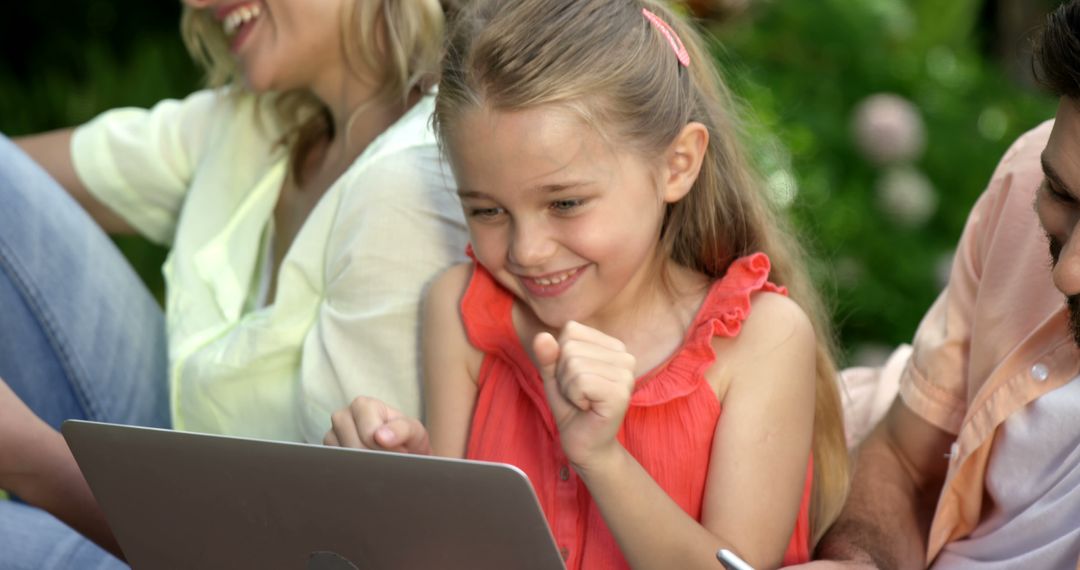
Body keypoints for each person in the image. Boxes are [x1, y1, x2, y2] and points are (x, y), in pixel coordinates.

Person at [324, 1, 850, 568]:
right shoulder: (461, 312)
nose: (526, 250)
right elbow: (448, 549)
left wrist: (602, 457)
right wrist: (408, 477)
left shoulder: (760, 341)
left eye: (565, 203)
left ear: (677, 165)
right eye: (487, 211)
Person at [0, 0, 468, 567]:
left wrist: (27, 456)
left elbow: (322, 553)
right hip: (164, 482)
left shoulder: (409, 191)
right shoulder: (261, 121)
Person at [794, 3, 1080, 569]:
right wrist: (856, 561)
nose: (1065, 274)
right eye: (1064, 197)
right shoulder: (1026, 172)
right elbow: (903, 458)